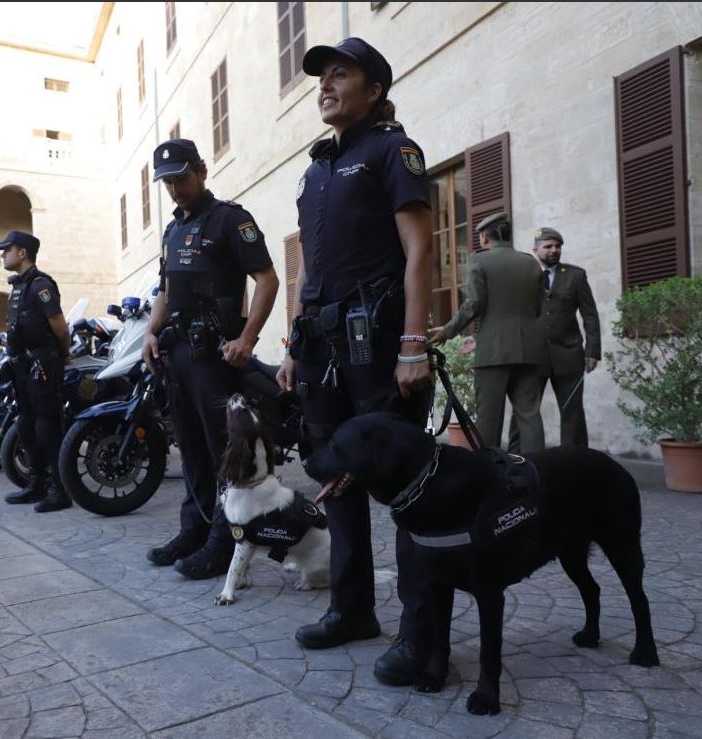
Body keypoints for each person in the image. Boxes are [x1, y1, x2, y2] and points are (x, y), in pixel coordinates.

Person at [278, 38, 438, 684]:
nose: (326, 85)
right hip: (323, 348)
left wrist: (413, 343)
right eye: (322, 76)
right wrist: (293, 343)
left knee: (406, 491)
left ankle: (422, 636)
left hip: (380, 349)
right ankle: (352, 609)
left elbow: (421, 250)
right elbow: (313, 269)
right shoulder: (317, 167)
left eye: (341, 74)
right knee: (338, 482)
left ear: (373, 90)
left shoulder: (391, 151)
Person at [141, 138, 280, 579]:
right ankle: (195, 531)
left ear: (201, 170)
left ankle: (225, 541)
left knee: (224, 453)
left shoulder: (229, 220)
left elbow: (268, 279)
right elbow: (165, 289)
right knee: (192, 450)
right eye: (168, 182)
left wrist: (248, 338)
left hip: (214, 356)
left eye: (181, 178)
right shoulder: (173, 229)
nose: (176, 189)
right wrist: (150, 331)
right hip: (177, 352)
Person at [430, 212, 546, 452]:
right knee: (529, 416)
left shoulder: (478, 261)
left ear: (484, 237)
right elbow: (537, 307)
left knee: (489, 419)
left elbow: (474, 303)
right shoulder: (530, 262)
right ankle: (540, 471)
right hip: (529, 347)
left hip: (493, 350)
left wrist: (448, 330)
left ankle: (490, 473)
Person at [0, 230, 74, 512]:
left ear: (23, 252)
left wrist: (62, 354)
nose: (3, 254)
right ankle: (37, 482)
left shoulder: (41, 284)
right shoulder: (18, 287)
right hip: (22, 366)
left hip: (42, 363)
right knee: (27, 425)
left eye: (7, 249)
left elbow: (60, 327)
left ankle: (59, 489)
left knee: (47, 426)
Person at [507, 227, 601, 450]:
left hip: (569, 355)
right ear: (535, 249)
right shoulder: (523, 277)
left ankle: (575, 461)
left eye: (557, 246)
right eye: (548, 246)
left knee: (573, 412)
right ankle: (514, 457)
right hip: (532, 356)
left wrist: (593, 351)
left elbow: (590, 315)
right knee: (525, 410)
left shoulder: (576, 276)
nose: (554, 250)